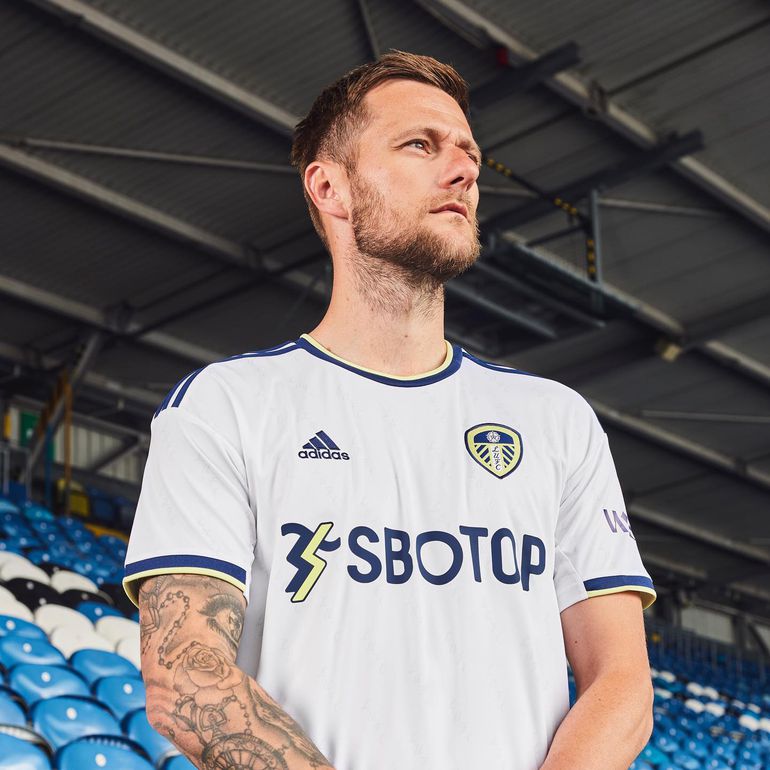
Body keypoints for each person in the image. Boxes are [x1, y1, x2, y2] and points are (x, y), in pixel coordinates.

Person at [123, 50, 656, 770]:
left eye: (469, 152)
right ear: (331, 187)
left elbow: (622, 682)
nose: (464, 170)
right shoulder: (227, 406)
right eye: (419, 145)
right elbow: (186, 677)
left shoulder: (555, 419)